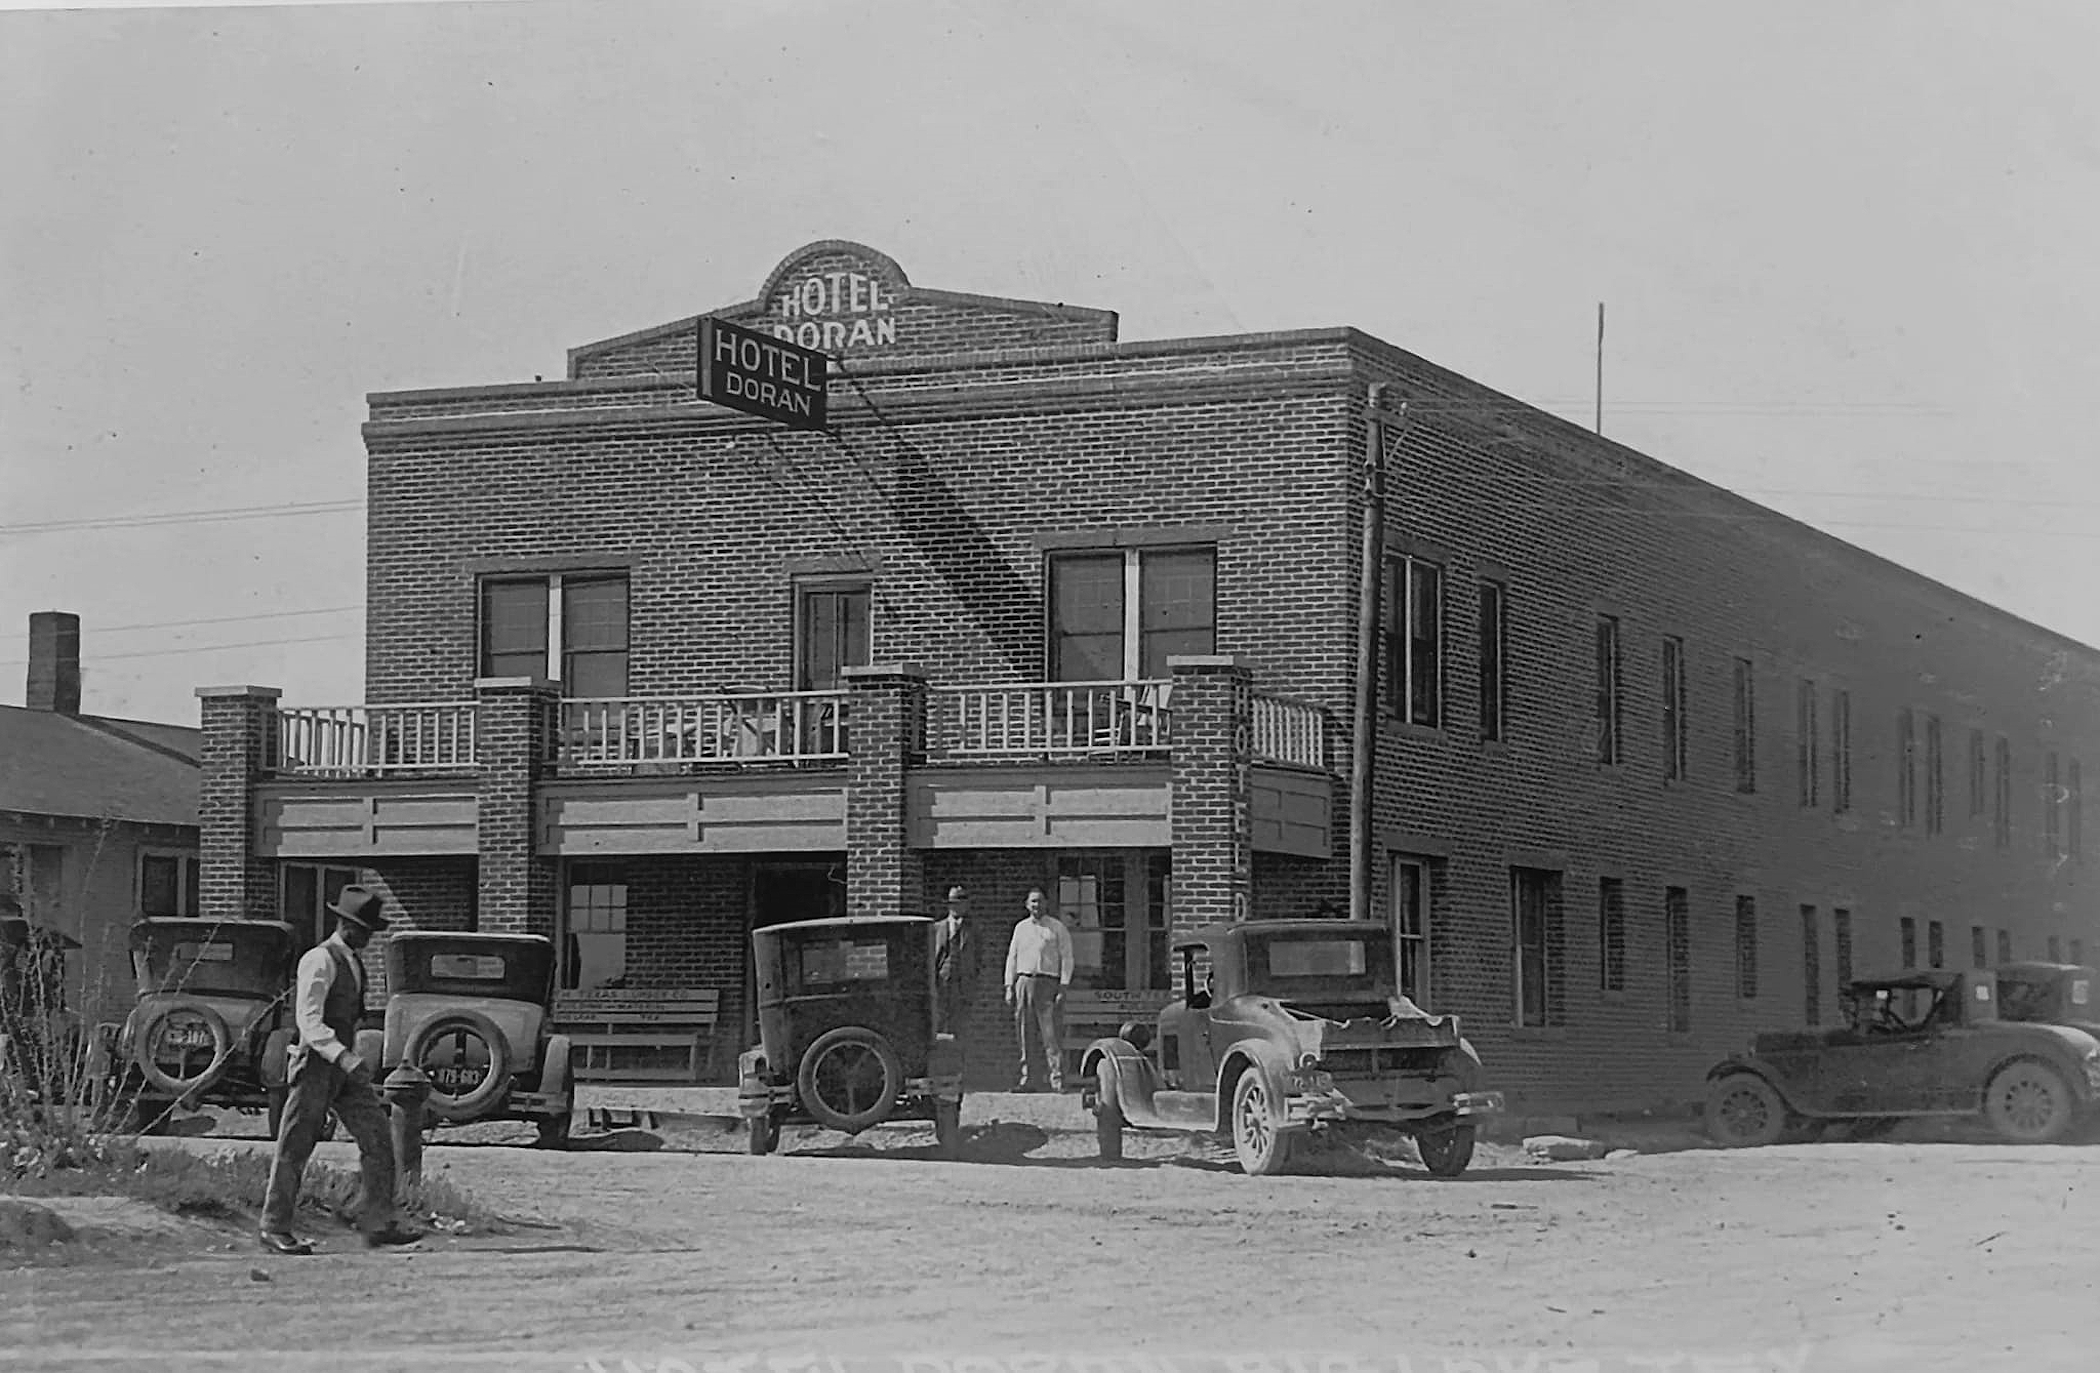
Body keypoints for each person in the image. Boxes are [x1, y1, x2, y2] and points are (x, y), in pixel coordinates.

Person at [259, 885, 420, 1255]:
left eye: (370, 930)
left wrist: (350, 1058)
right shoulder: (320, 959)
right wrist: (345, 1057)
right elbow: (309, 1021)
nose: (367, 937)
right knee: (295, 1145)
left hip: (344, 1065)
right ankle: (273, 1225)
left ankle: (376, 1220)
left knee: (378, 1139)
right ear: (345, 924)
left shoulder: (352, 960)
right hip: (316, 1063)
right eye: (362, 929)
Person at [1003, 887, 1073, 1092]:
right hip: (1024, 982)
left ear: (1047, 904)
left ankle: (1057, 1078)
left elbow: (1067, 957)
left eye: (1040, 901)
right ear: (1027, 905)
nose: (1037, 905)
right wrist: (1009, 986)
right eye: (1033, 901)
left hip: (1048, 983)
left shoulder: (1057, 928)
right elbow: (1012, 957)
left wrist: (1063, 986)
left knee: (1050, 1033)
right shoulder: (1021, 928)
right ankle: (1029, 1078)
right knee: (1025, 1032)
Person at [932, 884, 980, 1041]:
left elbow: (978, 959)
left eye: (959, 904)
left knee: (961, 1029)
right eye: (952, 904)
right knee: (939, 1026)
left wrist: (971, 980)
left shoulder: (973, 930)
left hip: (963, 987)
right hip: (941, 985)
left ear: (966, 906)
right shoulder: (936, 928)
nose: (956, 908)